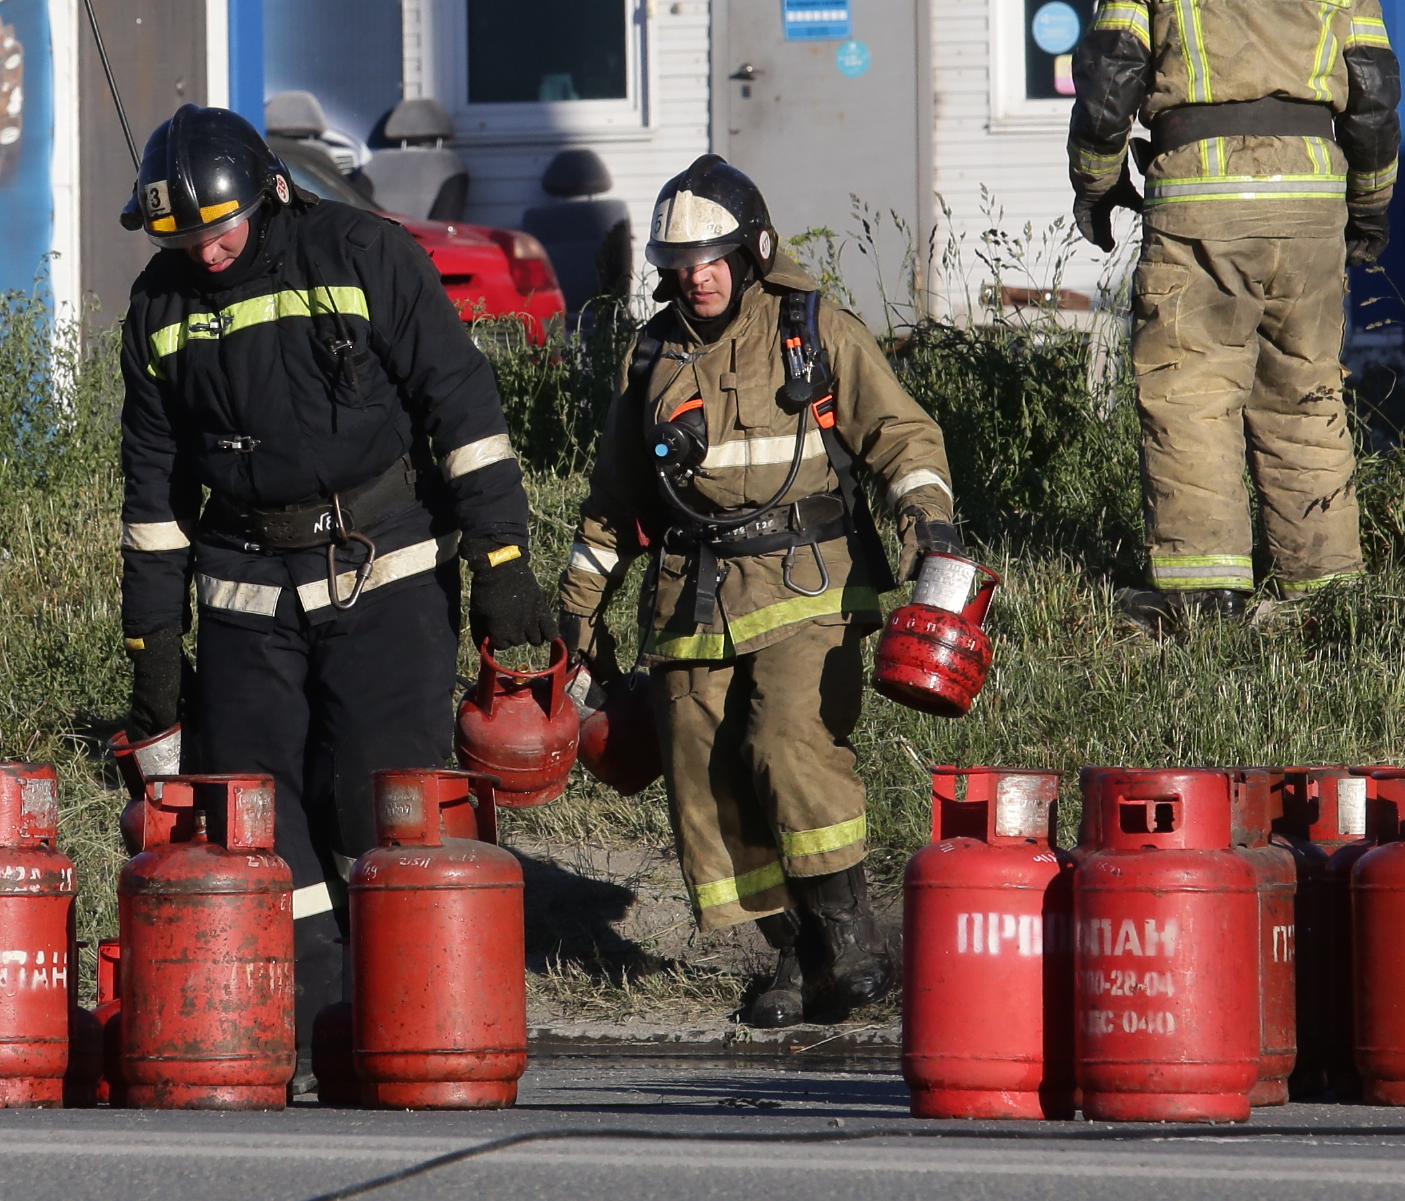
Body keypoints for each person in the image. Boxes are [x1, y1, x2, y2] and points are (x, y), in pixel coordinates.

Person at [114, 103, 545, 1052]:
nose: (207, 253)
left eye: (217, 231)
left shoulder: (362, 255)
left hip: (381, 570)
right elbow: (152, 505)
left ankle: (403, 1012)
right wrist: (153, 651)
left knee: (373, 797)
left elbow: (461, 406)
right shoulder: (158, 310)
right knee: (258, 817)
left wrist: (503, 560)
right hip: (243, 590)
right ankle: (310, 1028)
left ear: (267, 196)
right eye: (183, 237)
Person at [552, 156, 958, 1027]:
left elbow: (901, 432)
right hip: (689, 598)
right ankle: (791, 955)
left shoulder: (813, 329)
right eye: (679, 262)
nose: (696, 276)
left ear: (751, 251)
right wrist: (577, 609)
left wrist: (929, 519)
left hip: (808, 583)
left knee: (784, 741)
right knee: (704, 770)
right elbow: (614, 498)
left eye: (713, 257)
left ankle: (851, 942)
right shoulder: (652, 353)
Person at [1064, 0, 1400, 620]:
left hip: (1201, 213)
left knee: (1190, 393)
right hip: (1312, 214)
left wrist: (1098, 183)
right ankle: (1324, 597)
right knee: (1306, 394)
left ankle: (1205, 597)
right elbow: (1373, 97)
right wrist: (1370, 207)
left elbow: (1109, 87)